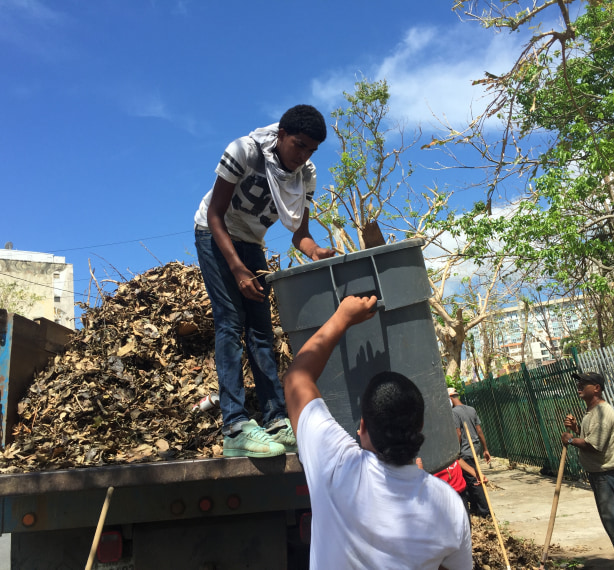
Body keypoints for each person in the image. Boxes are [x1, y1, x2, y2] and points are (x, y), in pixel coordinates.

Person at [283, 295, 472, 569]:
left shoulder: (336, 466)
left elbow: (296, 378)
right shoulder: (447, 505)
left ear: (362, 428)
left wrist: (342, 318)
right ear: (419, 427)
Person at [193, 104, 334, 458]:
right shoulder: (245, 151)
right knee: (230, 322)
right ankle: (236, 426)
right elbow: (214, 215)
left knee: (261, 331)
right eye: (298, 145)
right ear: (282, 135)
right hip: (215, 234)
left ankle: (274, 419)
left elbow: (299, 235)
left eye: (311, 150)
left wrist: (315, 250)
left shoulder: (306, 175)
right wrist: (238, 269)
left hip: (251, 242)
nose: (303, 156)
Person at [562, 372, 614, 570]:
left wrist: (571, 440)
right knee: (613, 524)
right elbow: (591, 437)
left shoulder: (603, 412)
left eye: (584, 383)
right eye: (579, 383)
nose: (579, 386)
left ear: (597, 388)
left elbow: (594, 445)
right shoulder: (591, 412)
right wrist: (576, 429)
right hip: (600, 476)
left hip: (608, 477)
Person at [449, 387, 491, 518]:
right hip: (475, 448)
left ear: (450, 398)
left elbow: (458, 433)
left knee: (474, 480)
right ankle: (475, 507)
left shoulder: (454, 412)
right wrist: (485, 449)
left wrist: (456, 451)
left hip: (465, 450)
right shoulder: (471, 409)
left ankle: (485, 511)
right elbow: (479, 431)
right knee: (468, 478)